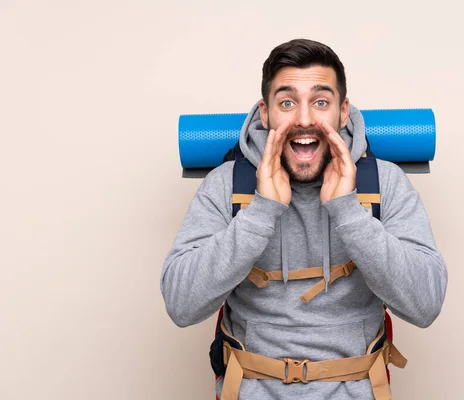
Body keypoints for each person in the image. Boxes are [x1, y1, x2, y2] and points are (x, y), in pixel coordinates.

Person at [161, 38, 448, 400]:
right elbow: (181, 306)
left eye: (321, 102)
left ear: (343, 112)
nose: (304, 118)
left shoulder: (385, 182)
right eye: (287, 102)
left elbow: (425, 305)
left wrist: (348, 210)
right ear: (265, 113)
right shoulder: (225, 185)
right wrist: (261, 210)